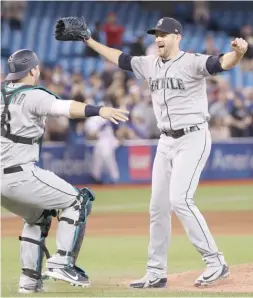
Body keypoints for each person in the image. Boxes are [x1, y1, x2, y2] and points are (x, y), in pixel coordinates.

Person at [56, 16, 248, 288]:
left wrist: (238, 53)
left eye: (164, 34)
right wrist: (89, 40)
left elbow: (221, 62)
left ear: (177, 37)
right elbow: (120, 58)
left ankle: (216, 262)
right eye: (156, 34)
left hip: (193, 137)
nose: (159, 38)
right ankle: (156, 272)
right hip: (166, 142)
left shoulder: (192, 62)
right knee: (157, 208)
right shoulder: (148, 64)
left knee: (180, 199)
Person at [0, 49, 129, 293]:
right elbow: (65, 107)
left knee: (37, 217)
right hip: (20, 173)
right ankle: (61, 261)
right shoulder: (32, 94)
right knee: (78, 201)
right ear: (33, 71)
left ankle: (29, 281)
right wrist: (99, 110)